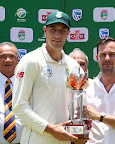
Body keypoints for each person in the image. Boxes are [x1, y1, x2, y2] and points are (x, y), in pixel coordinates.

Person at [12, 11, 80, 144]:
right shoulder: (30, 61)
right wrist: (51, 129)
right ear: (45, 31)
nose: (57, 35)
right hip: (36, 140)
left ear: (68, 33)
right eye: (53, 29)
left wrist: (79, 131)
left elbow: (76, 105)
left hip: (64, 141)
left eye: (62, 30)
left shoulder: (73, 65)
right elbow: (19, 106)